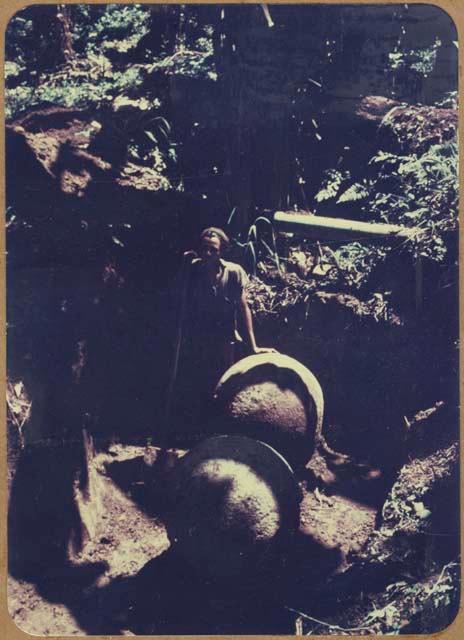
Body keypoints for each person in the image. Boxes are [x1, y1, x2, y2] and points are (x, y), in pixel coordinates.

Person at [174, 227, 275, 429]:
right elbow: (181, 299)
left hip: (224, 336)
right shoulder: (192, 270)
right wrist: (184, 266)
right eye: (204, 249)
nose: (208, 254)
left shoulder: (234, 272)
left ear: (222, 251)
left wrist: (253, 346)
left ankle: (219, 429)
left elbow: (242, 307)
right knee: (196, 382)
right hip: (198, 336)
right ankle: (194, 429)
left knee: (223, 383)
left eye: (213, 250)